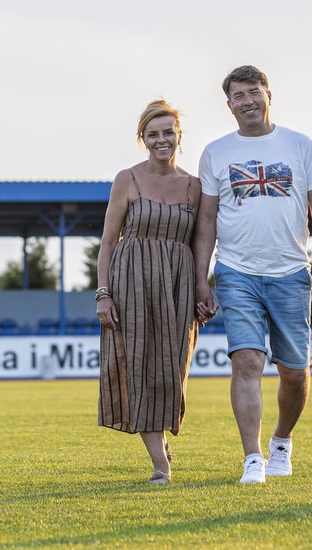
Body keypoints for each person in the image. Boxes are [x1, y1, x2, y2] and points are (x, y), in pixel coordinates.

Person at [194, 65, 312, 484]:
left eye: (254, 92)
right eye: (239, 96)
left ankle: (281, 442)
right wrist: (202, 278)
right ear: (229, 105)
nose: (248, 101)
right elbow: (205, 221)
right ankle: (252, 457)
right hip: (236, 272)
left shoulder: (299, 145)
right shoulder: (216, 152)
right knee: (247, 360)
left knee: (294, 373)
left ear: (268, 95)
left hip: (292, 273)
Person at [96, 99, 201, 484]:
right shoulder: (128, 179)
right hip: (130, 282)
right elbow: (108, 242)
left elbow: (202, 241)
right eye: (153, 134)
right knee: (138, 367)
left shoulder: (195, 185)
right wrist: (103, 294)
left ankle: (162, 435)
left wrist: (203, 285)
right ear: (143, 139)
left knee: (171, 371)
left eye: (168, 132)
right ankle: (160, 464)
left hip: (178, 283)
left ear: (179, 136)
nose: (162, 140)